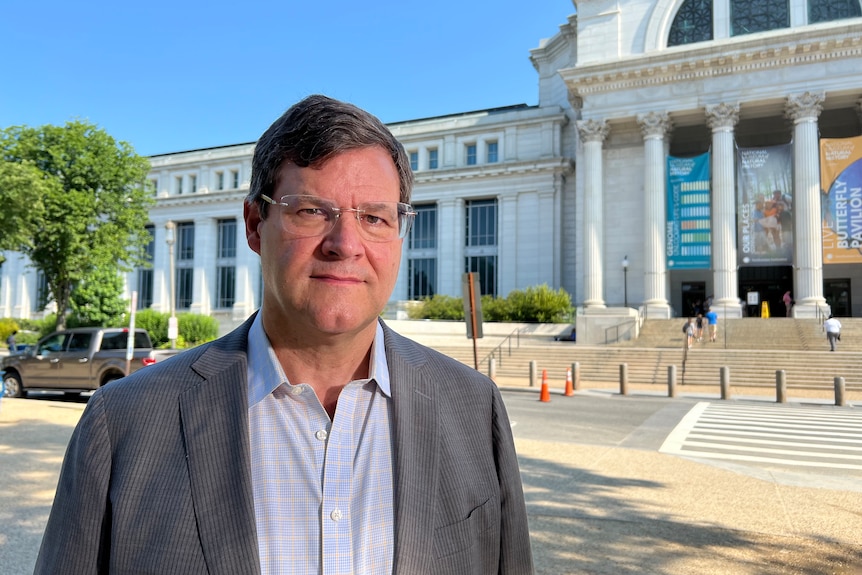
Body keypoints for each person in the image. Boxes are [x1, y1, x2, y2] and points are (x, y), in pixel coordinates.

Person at [34, 95, 534, 574]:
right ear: (255, 224)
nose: (345, 244)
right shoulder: (124, 422)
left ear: (400, 232)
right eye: (312, 211)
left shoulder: (473, 408)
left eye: (375, 217)